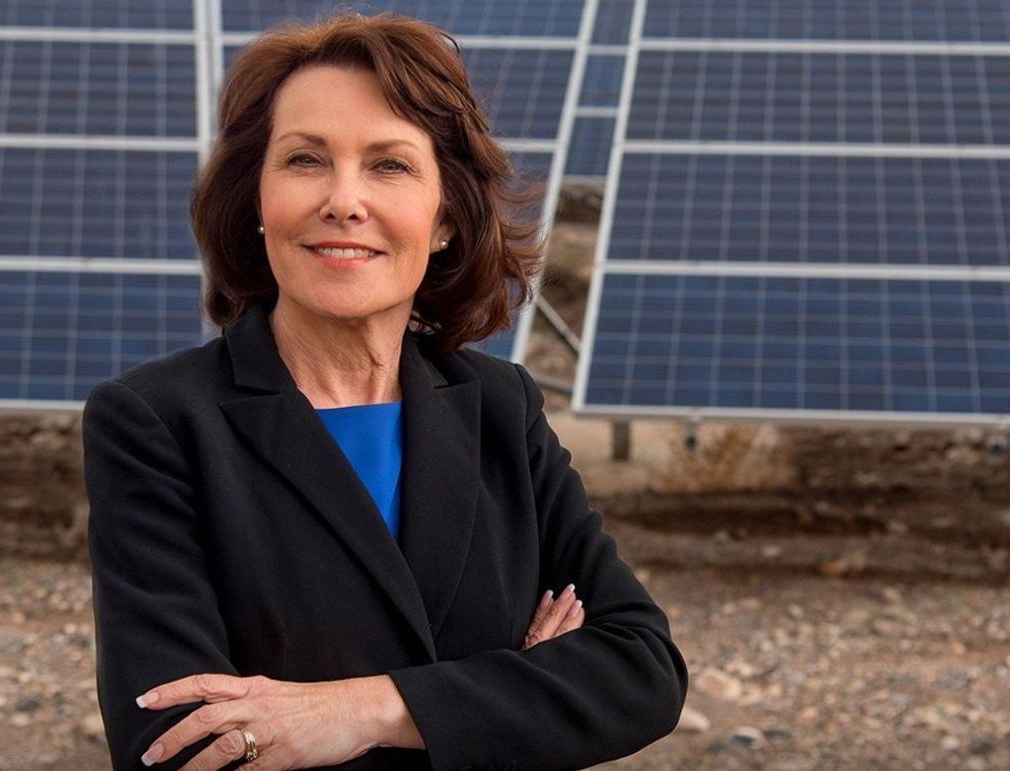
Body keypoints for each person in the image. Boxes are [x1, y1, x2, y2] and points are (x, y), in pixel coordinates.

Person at [82, 13, 687, 770]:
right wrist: (516, 692)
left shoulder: (501, 406)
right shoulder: (159, 423)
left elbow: (640, 671)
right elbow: (177, 743)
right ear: (256, 203)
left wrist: (359, 709)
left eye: (389, 165)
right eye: (305, 160)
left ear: (444, 220)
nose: (343, 200)